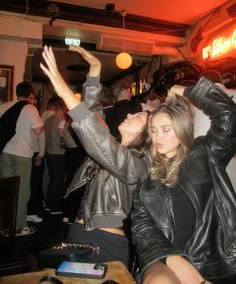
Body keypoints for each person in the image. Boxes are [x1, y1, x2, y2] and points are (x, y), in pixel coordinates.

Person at [40, 45, 151, 268]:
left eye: (138, 116)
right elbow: (93, 113)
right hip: (78, 232)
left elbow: (95, 135)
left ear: (146, 134)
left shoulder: (138, 163)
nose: (129, 114)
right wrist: (95, 72)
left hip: (104, 243)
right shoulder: (117, 147)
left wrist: (63, 91)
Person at [131, 78, 236, 284]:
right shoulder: (148, 175)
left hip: (216, 262)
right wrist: (171, 257)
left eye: (166, 129)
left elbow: (229, 114)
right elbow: (141, 225)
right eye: (153, 130)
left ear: (181, 128)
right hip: (166, 260)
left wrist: (188, 90)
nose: (157, 137)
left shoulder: (204, 153)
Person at [0, 82, 43, 236]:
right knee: (21, 191)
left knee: (6, 189)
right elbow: (38, 130)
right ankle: (18, 228)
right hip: (22, 153)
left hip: (4, 152)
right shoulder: (30, 107)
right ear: (30, 94)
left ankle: (5, 226)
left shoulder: (5, 106)